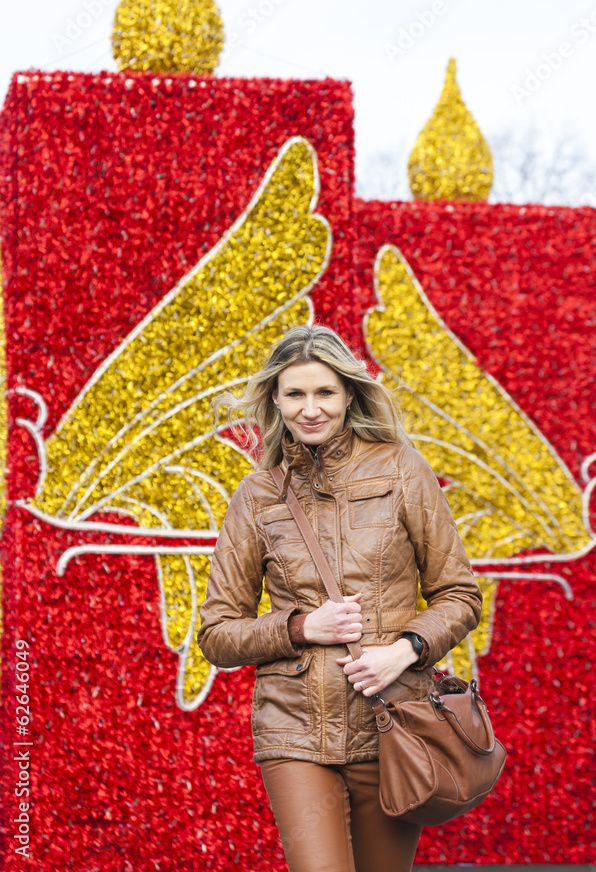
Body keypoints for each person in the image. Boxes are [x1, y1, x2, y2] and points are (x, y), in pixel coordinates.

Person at [196, 325, 483, 872]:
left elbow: (459, 595)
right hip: (295, 731)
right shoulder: (257, 496)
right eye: (295, 394)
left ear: (349, 393)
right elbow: (216, 633)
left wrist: (404, 649)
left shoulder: (401, 468)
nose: (311, 409)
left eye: (324, 392)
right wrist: (301, 627)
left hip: (393, 721)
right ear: (276, 400)